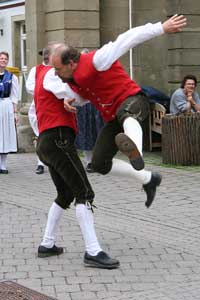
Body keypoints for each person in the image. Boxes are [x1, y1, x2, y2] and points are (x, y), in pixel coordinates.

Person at [52, 14, 187, 208]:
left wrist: (161, 28)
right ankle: (148, 178)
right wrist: (71, 101)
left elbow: (128, 38)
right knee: (98, 163)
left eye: (58, 69)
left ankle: (136, 150)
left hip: (133, 100)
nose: (56, 74)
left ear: (71, 63)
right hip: (113, 116)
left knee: (127, 115)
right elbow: (84, 97)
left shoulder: (97, 59)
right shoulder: (71, 80)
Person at [30, 43, 119, 269]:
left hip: (47, 142)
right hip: (58, 138)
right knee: (85, 192)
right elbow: (74, 93)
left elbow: (65, 94)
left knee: (65, 193)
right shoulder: (51, 74)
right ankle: (93, 250)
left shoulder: (42, 74)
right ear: (52, 60)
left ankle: (47, 244)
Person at [26, 48, 50, 174]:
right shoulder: (35, 70)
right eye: (45, 54)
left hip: (53, 106)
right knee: (40, 133)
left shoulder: (56, 69)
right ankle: (40, 162)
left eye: (49, 54)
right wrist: (44, 90)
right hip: (39, 104)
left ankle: (52, 161)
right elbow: (29, 86)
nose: (47, 56)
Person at [0, 51, 19, 174]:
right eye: (1, 58)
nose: (3, 60)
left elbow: (14, 96)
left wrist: (15, 113)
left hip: (6, 106)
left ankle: (3, 165)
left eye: (5, 59)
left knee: (5, 134)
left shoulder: (12, 77)